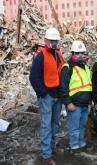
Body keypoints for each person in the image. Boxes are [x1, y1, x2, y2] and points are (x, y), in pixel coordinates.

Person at [29, 27, 65, 165]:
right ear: (45, 41)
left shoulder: (58, 55)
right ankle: (46, 155)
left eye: (56, 41)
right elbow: (33, 78)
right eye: (51, 41)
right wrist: (43, 93)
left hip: (57, 96)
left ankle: (52, 146)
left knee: (55, 123)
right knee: (46, 126)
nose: (54, 44)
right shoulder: (40, 56)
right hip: (47, 97)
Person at [59, 40, 92, 153]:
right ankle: (74, 146)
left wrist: (90, 101)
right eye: (77, 53)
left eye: (82, 53)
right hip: (74, 104)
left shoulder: (86, 68)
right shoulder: (67, 68)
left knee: (82, 126)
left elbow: (88, 86)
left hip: (84, 103)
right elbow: (63, 88)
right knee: (74, 128)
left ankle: (81, 143)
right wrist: (68, 103)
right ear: (72, 54)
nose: (80, 55)